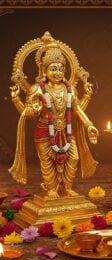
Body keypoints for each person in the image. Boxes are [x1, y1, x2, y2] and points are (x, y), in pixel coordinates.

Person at [9, 32, 99, 199]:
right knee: (47, 162)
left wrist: (89, 125)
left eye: (61, 68)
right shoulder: (37, 89)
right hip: (45, 131)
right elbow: (28, 114)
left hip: (67, 131)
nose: (57, 72)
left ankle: (67, 187)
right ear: (44, 69)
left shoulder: (69, 88)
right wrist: (16, 99)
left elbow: (77, 110)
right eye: (53, 68)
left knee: (73, 158)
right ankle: (51, 189)